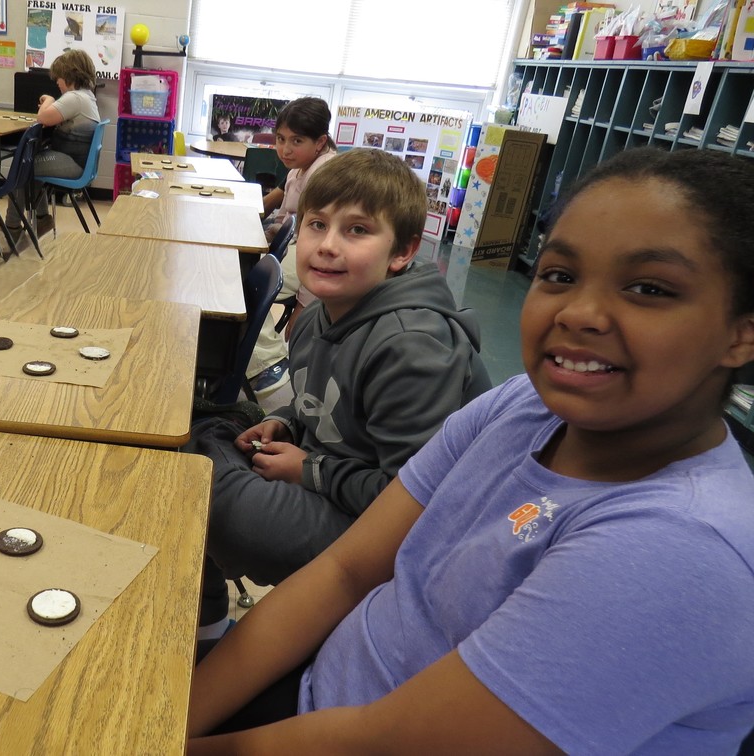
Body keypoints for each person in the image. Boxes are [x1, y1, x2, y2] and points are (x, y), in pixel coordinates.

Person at [187, 147, 754, 753]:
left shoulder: (677, 548)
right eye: (560, 275)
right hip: (324, 686)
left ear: (741, 333)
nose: (580, 313)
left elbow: (391, 742)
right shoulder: (521, 406)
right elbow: (345, 572)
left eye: (649, 288)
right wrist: (173, 717)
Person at [187, 148, 491, 643]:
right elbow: (319, 402)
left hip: (401, 537)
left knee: (208, 495)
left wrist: (308, 469)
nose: (327, 245)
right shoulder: (316, 316)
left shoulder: (411, 347)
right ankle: (207, 627)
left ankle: (212, 626)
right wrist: (285, 421)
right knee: (193, 453)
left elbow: (413, 501)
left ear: (402, 252)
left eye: (357, 230)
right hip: (341, 480)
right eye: (316, 224)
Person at [248, 96, 337, 398]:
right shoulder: (299, 169)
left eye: (296, 140)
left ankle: (270, 362)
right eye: (280, 139)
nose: (285, 149)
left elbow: (324, 247)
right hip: (289, 251)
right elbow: (279, 211)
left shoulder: (324, 176)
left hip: (306, 259)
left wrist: (305, 302)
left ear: (320, 141)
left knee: (242, 290)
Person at [4, 48, 99, 239]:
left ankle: (11, 229)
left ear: (70, 75)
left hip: (73, 164)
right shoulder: (86, 95)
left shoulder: (75, 98)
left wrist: (49, 99)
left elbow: (42, 118)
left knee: (23, 167)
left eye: (59, 78)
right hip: (77, 161)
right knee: (34, 164)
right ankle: (41, 219)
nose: (57, 82)